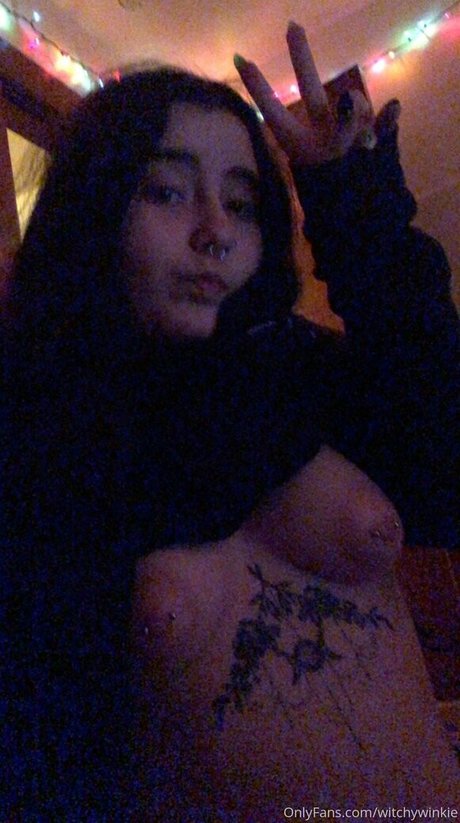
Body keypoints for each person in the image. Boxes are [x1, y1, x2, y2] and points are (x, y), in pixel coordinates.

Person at [1, 20, 459, 819]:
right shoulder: (42, 443)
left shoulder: (293, 370)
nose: (216, 230)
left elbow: (447, 471)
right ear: (94, 206)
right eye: (166, 191)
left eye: (241, 202)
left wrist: (353, 206)